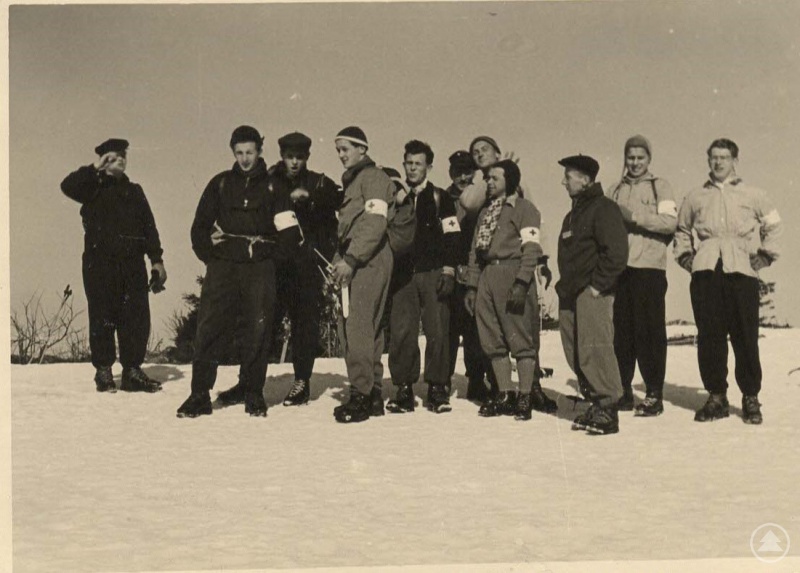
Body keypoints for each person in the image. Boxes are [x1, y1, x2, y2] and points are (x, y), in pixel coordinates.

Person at [177, 125, 302, 418]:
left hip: (259, 268)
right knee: (209, 327)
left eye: (250, 152)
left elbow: (289, 234)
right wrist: (211, 257)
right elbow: (199, 228)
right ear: (233, 152)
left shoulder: (275, 187)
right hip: (224, 267)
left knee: (258, 329)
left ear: (260, 150)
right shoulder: (220, 184)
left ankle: (253, 392)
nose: (245, 159)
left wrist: (270, 262)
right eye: (239, 153)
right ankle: (199, 394)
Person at [674, 138, 782, 425]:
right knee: (710, 335)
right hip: (707, 271)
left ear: (735, 160)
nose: (719, 162)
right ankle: (716, 396)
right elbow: (682, 229)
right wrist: (686, 257)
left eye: (724, 157)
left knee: (745, 336)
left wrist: (766, 255)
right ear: (708, 160)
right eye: (714, 157)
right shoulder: (695, 196)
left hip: (741, 271)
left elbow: (773, 223)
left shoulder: (754, 194)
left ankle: (750, 397)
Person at [61, 138, 166, 393]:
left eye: (122, 155)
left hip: (132, 265)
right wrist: (95, 168)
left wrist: (157, 260)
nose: (119, 159)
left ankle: (132, 371)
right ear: (102, 160)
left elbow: (149, 227)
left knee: (136, 318)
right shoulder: (91, 188)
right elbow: (67, 186)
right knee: (103, 316)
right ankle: (104, 371)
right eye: (112, 156)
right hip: (100, 264)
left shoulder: (135, 191)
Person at [463, 160, 555, 420]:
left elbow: (531, 249)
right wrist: (472, 286)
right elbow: (474, 252)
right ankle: (505, 393)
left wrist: (522, 282)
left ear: (510, 181)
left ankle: (525, 395)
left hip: (513, 274)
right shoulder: (485, 213)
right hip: (487, 275)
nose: (489, 183)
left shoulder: (525, 209)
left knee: (520, 339)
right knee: (492, 339)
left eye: (494, 178)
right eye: (487, 179)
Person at [262, 131, 343, 407]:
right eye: (289, 157)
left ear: (307, 157)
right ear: (282, 156)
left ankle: (302, 381)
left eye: (299, 157)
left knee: (304, 324)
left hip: (306, 267)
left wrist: (310, 200)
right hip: (274, 265)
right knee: (264, 322)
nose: (294, 162)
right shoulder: (270, 181)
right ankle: (250, 380)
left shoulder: (319, 182)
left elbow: (339, 205)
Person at [385, 140, 460, 414]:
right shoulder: (395, 197)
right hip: (403, 276)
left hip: (432, 273)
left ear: (428, 166)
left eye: (418, 163)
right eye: (409, 163)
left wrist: (449, 270)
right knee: (402, 332)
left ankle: (438, 388)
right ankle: (403, 387)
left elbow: (453, 237)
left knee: (437, 330)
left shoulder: (441, 197)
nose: (413, 168)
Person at [555, 154, 628, 435]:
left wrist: (597, 287)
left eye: (568, 176)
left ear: (585, 180)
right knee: (575, 351)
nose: (564, 182)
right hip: (570, 295)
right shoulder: (571, 215)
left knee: (595, 349)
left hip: (592, 293)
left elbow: (617, 253)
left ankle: (608, 409)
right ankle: (596, 404)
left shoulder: (604, 209)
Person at [606, 135, 678, 417]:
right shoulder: (614, 189)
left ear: (649, 159)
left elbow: (670, 223)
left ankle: (653, 393)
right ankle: (622, 390)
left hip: (649, 267)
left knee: (649, 331)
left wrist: (634, 216)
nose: (635, 163)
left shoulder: (661, 186)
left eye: (641, 158)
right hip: (619, 269)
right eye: (631, 157)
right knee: (620, 332)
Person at [330, 126, 395, 424]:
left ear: (362, 150)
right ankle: (372, 393)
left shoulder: (373, 178)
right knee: (367, 329)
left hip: (369, 258)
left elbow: (374, 223)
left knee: (358, 327)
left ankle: (360, 395)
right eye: (338, 150)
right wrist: (340, 258)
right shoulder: (355, 181)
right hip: (358, 257)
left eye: (346, 149)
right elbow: (348, 229)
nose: (341, 155)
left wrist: (352, 259)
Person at [445, 150, 497, 402]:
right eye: (457, 171)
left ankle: (476, 380)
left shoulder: (480, 197)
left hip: (474, 270)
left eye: (467, 171)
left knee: (474, 330)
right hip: (449, 269)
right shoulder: (443, 198)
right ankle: (442, 382)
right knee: (448, 330)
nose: (462, 176)